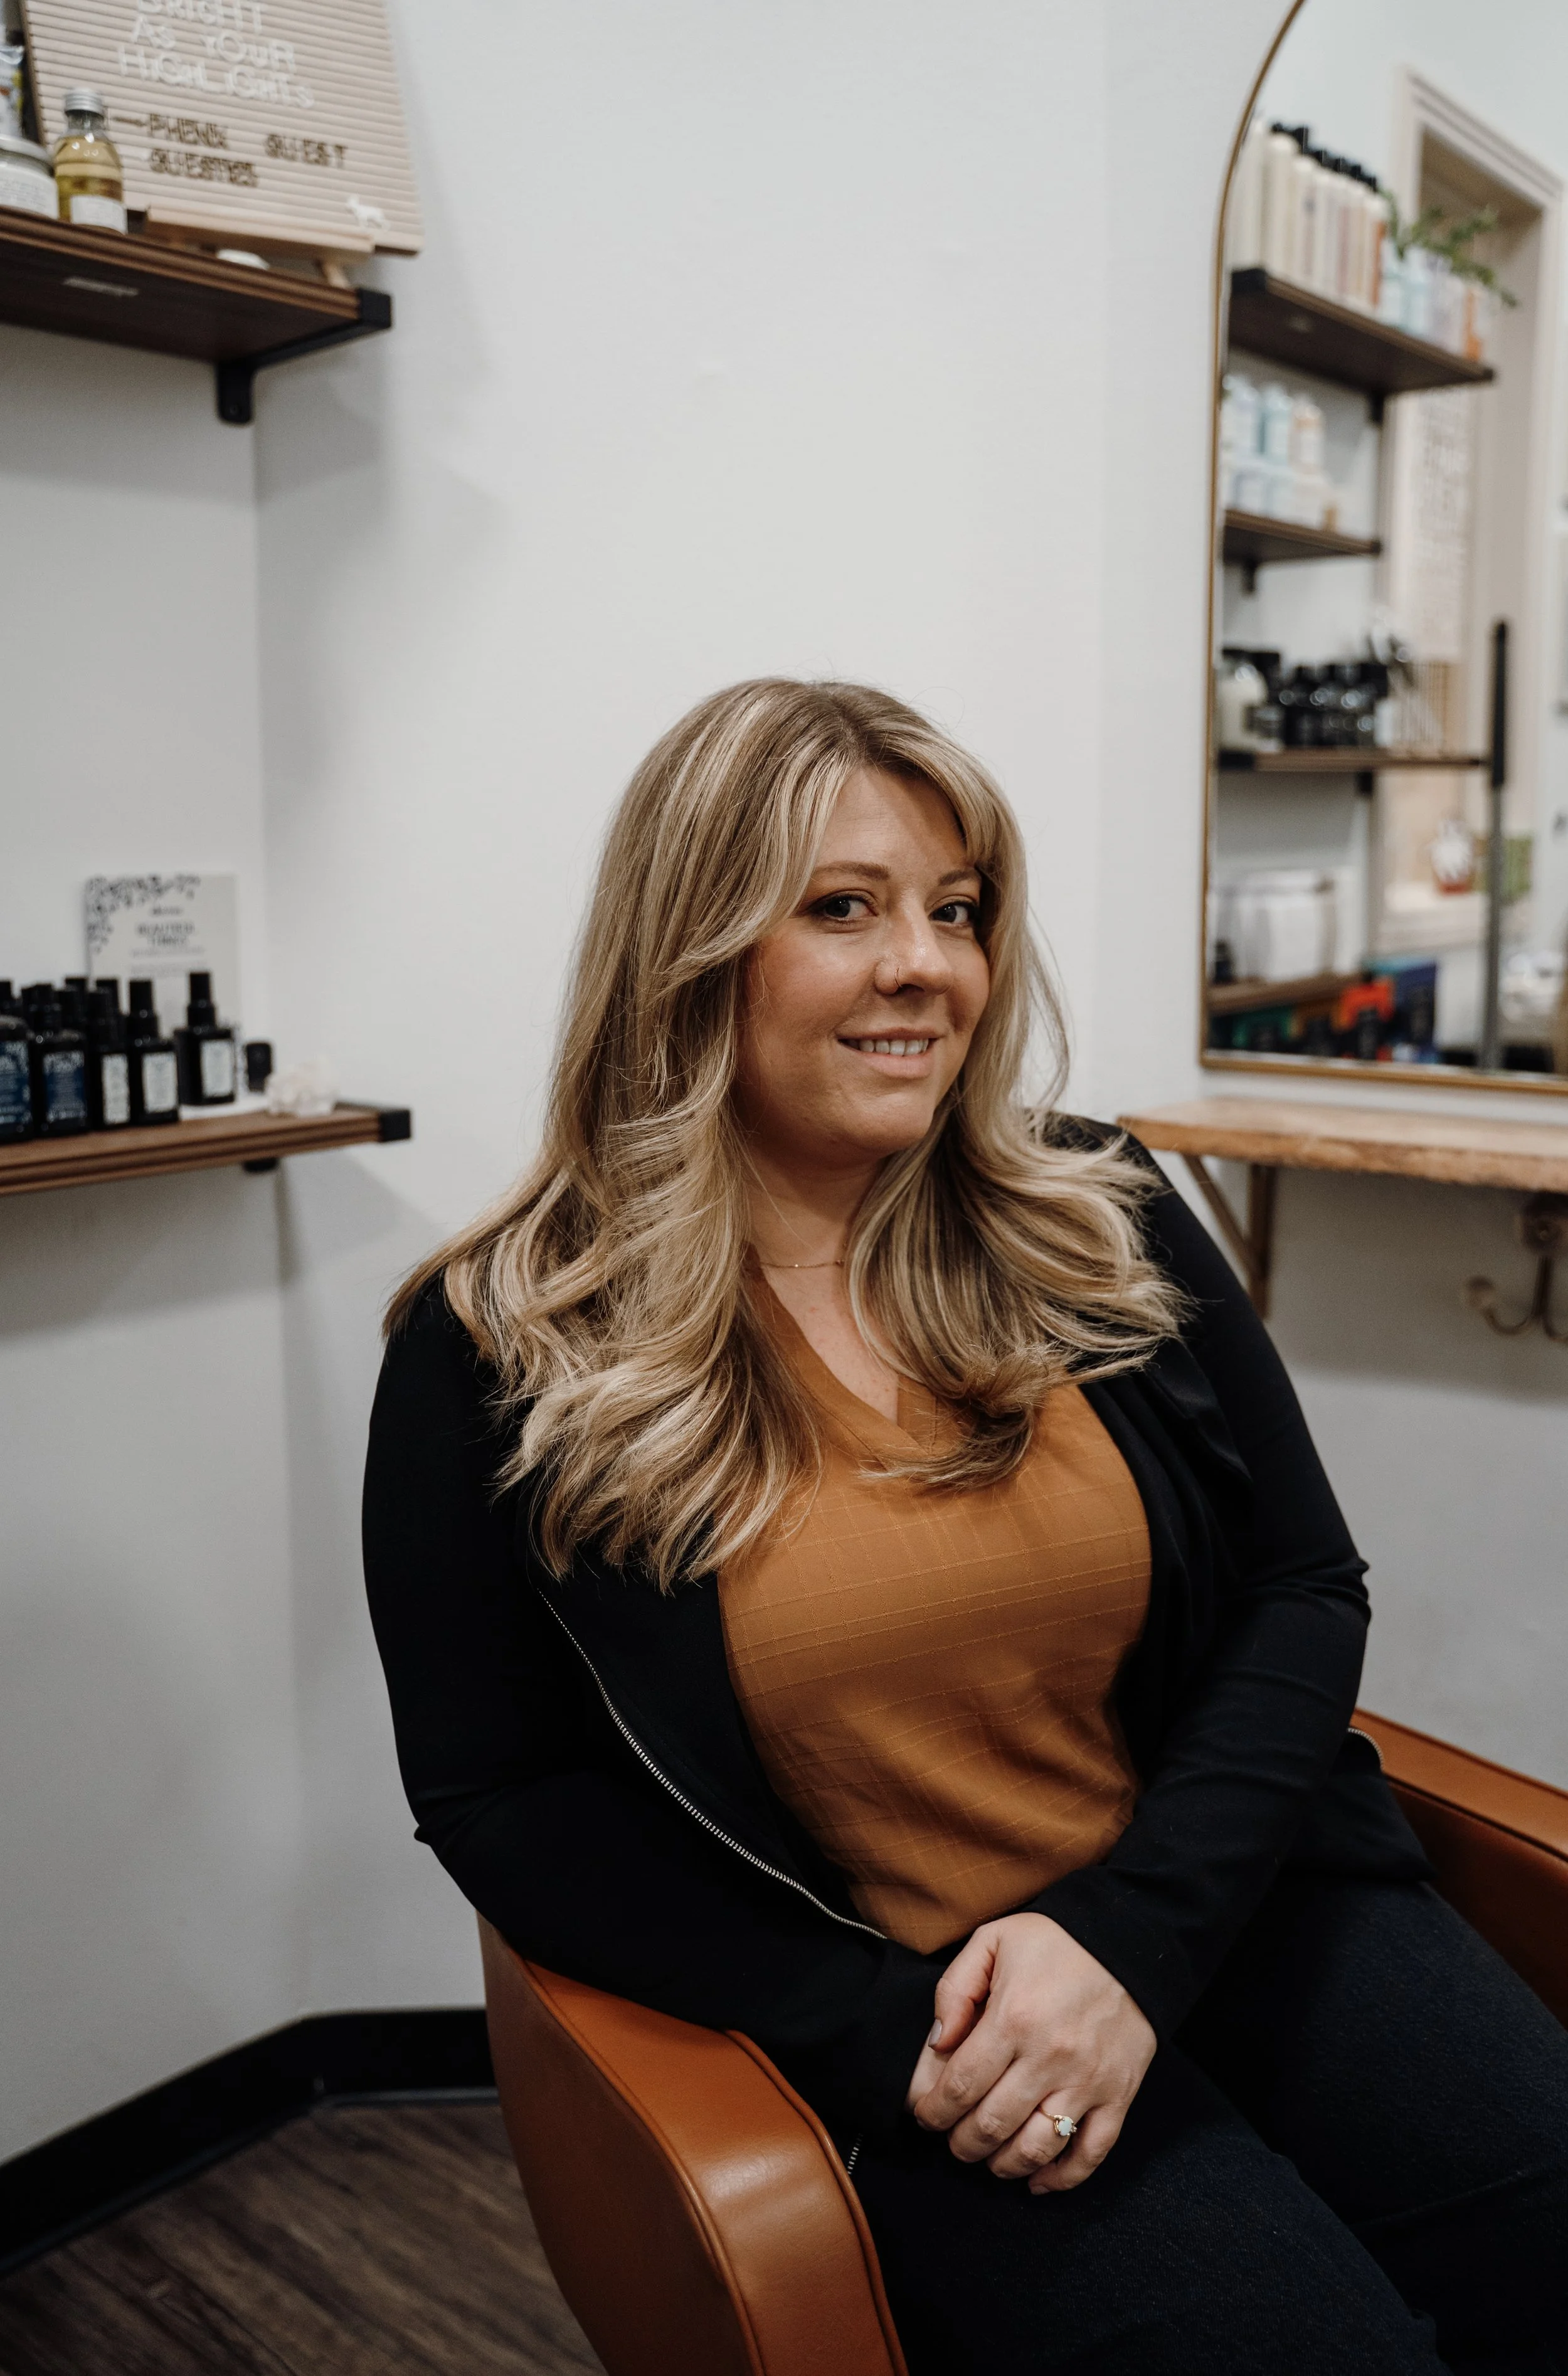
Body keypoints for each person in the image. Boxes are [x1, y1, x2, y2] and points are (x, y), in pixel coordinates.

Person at [364, 679, 1568, 2375]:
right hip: (928, 2018)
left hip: (1231, 1902)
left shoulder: (1101, 1214)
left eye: (958, 908)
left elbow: (1302, 1585)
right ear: (690, 950)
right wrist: (879, 2037)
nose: (924, 962)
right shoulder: (495, 1347)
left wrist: (1129, 1944)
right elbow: (497, 1794)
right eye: (842, 906)